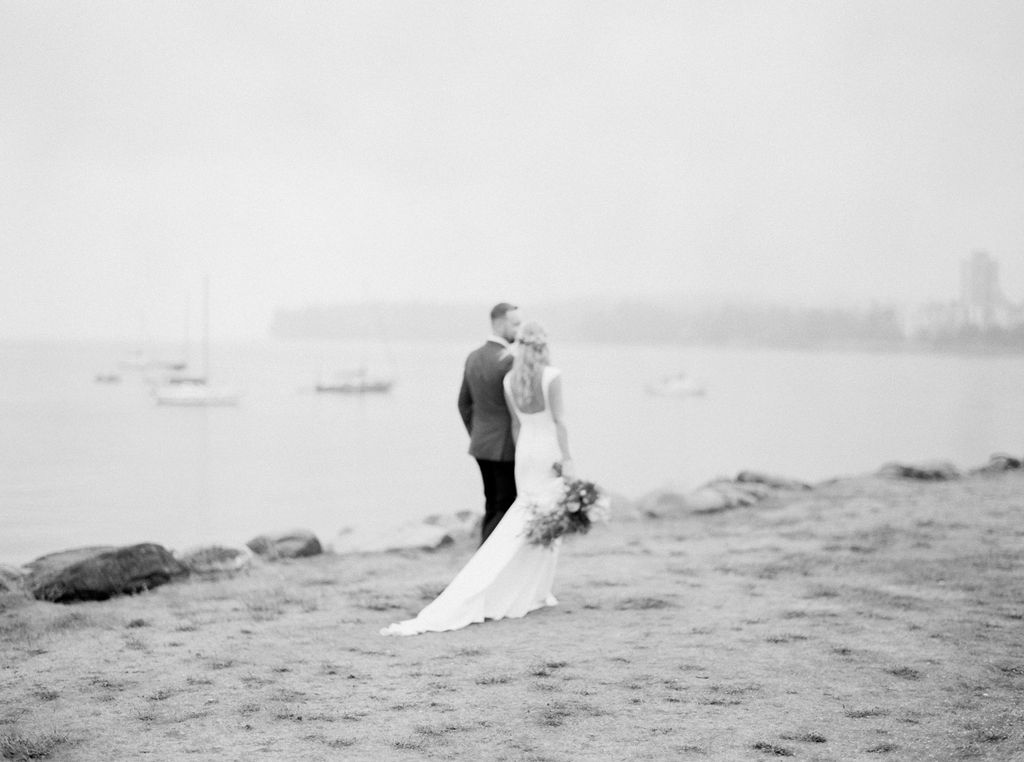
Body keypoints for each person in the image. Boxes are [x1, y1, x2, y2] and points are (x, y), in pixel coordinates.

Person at [381, 320, 572, 636]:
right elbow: (560, 422)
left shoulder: (511, 380)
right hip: (548, 450)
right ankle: (535, 590)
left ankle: (530, 588)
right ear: (543, 347)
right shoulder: (553, 376)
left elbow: (515, 426)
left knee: (527, 517)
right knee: (546, 520)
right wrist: (567, 459)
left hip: (524, 454)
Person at [457, 303, 522, 544]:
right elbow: (519, 408)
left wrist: (477, 434)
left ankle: (483, 559)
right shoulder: (509, 361)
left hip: (481, 444)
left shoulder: (473, 356)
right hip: (505, 446)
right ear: (500, 323)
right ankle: (485, 559)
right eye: (515, 323)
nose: (519, 329)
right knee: (505, 506)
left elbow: (463, 404)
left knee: (492, 503)